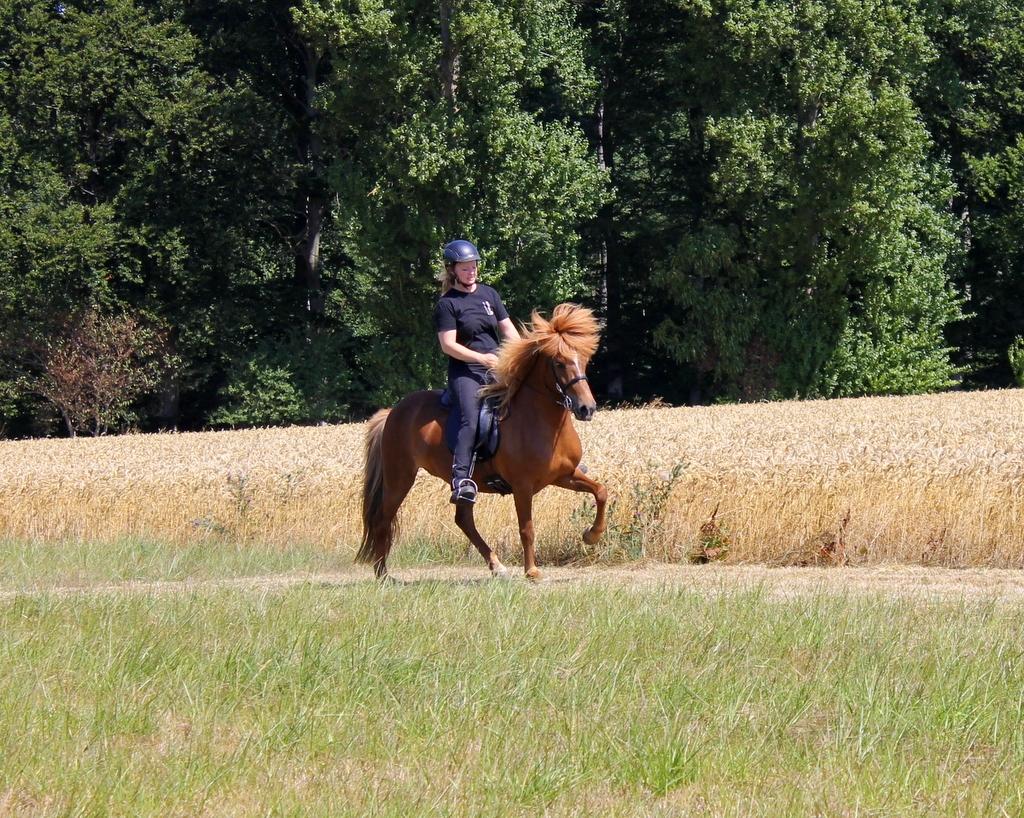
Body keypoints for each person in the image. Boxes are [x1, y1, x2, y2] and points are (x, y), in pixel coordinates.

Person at [434, 239, 521, 504]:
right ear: (452, 270)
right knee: (470, 419)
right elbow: (448, 345)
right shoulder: (447, 304)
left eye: (473, 266)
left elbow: (507, 329)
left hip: (497, 364)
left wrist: (520, 355)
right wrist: (482, 358)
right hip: (466, 370)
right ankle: (461, 480)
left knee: (531, 398)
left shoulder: (489, 294)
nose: (471, 272)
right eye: (465, 268)